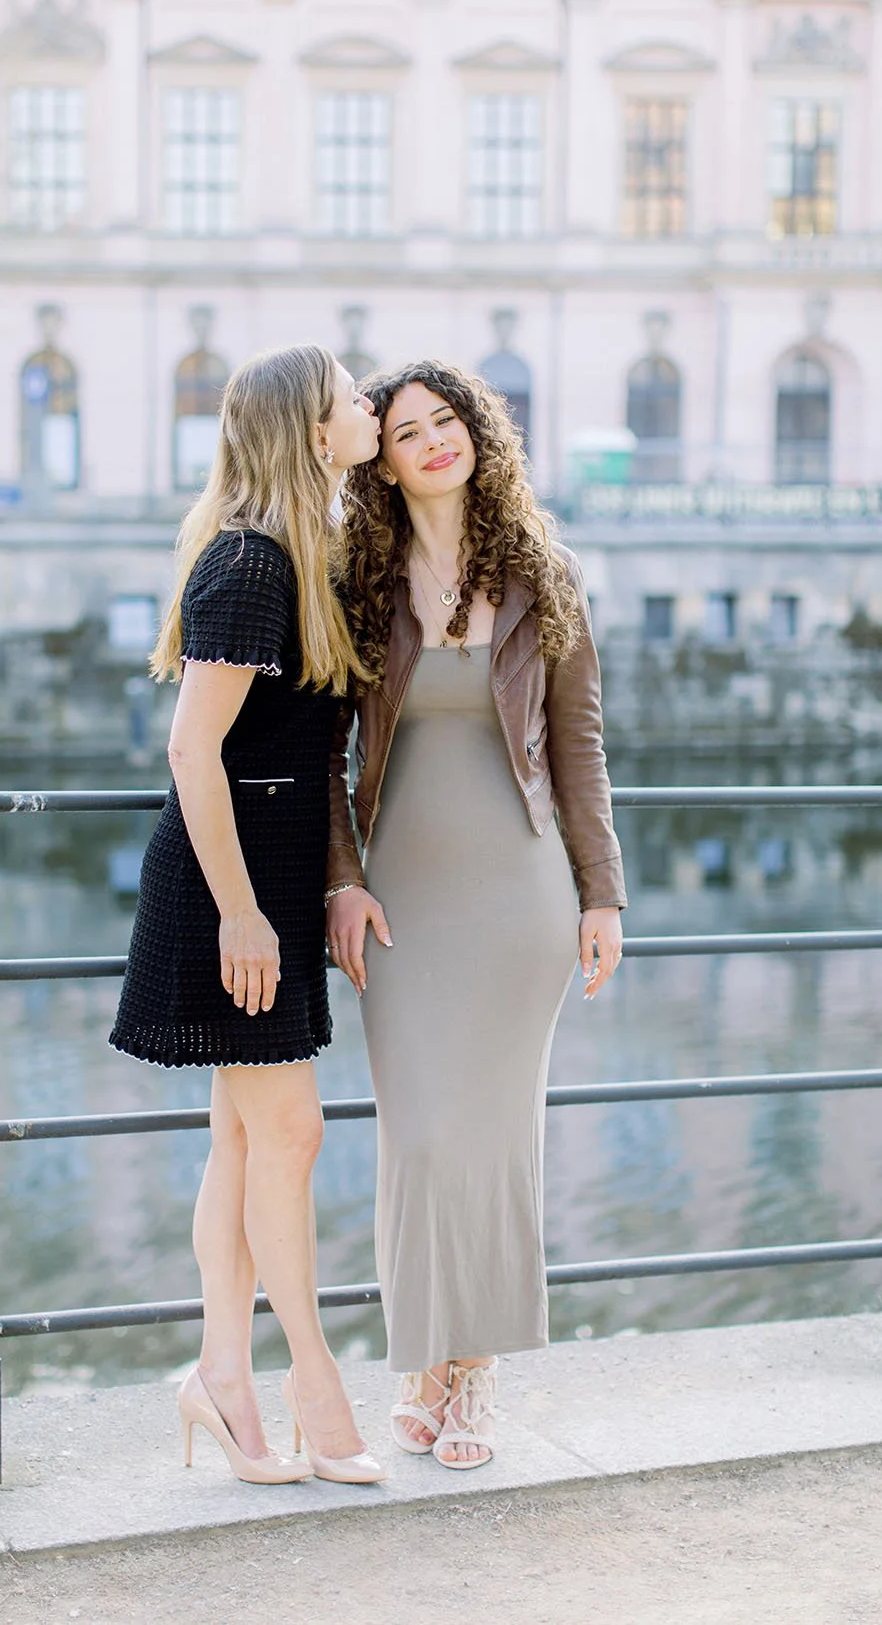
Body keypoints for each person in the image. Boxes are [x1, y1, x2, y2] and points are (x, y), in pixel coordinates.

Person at [326, 359, 626, 1471]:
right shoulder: (356, 579)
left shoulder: (544, 570)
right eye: (406, 431)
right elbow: (320, 756)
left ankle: (468, 1375)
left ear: (478, 433)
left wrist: (601, 892)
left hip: (520, 893)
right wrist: (340, 879)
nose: (433, 442)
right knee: (420, 1137)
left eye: (446, 420)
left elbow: (579, 743)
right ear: (383, 461)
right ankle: (423, 1355)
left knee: (494, 1138)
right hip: (400, 899)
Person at [111, 344, 385, 1486]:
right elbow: (192, 749)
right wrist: (240, 914)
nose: (369, 404)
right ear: (312, 430)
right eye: (351, 395)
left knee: (243, 1137)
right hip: (230, 892)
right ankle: (313, 1382)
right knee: (289, 1134)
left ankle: (221, 1377)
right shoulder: (248, 562)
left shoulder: (298, 550)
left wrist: (294, 893)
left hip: (266, 881)